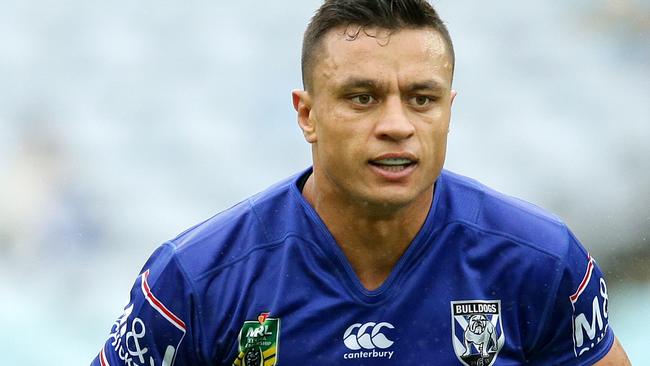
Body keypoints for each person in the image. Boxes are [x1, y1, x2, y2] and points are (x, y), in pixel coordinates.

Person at [92, 1, 631, 365]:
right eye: (362, 97)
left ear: (449, 109)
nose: (397, 124)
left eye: (422, 98)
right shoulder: (196, 279)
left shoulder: (540, 261)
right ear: (307, 114)